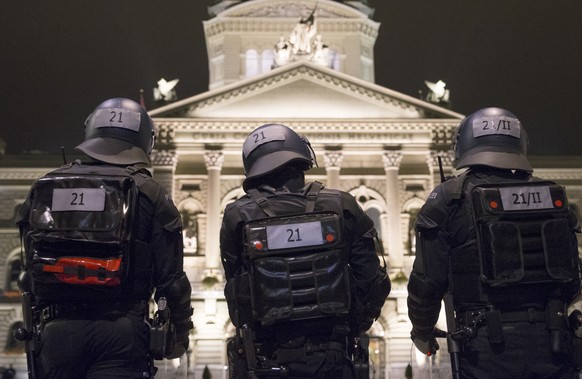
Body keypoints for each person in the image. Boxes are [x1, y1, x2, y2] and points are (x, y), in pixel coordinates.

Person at [16, 98, 193, 378]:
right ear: (146, 140)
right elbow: (171, 280)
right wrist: (178, 336)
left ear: (91, 131)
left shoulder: (47, 185)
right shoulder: (150, 193)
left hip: (56, 331)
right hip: (122, 330)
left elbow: (29, 264)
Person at [407, 107, 581, 378]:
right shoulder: (551, 195)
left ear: (464, 144)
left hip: (486, 346)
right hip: (554, 342)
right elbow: (573, 278)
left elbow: (427, 282)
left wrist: (422, 331)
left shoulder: (449, 198)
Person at [220, 123, 390, 378]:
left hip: (267, 357)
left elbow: (236, 288)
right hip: (332, 353)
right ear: (301, 161)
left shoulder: (237, 215)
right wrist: (352, 327)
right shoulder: (342, 205)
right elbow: (373, 281)